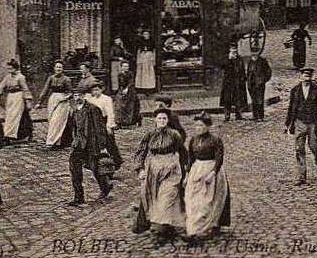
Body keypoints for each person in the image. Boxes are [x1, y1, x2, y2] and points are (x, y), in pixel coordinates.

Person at [133, 108, 186, 241]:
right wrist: (140, 169)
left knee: (167, 195)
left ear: (168, 121)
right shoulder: (149, 135)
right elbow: (141, 152)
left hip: (171, 168)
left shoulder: (174, 134)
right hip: (154, 168)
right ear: (155, 120)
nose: (162, 121)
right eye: (159, 118)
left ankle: (161, 227)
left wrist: (187, 170)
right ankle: (166, 225)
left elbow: (183, 152)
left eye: (164, 118)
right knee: (153, 197)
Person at [185, 113, 230, 240]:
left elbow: (219, 158)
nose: (198, 128)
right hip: (196, 170)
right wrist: (187, 174)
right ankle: (193, 229)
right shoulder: (193, 140)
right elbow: (190, 158)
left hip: (210, 170)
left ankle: (206, 227)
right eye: (196, 125)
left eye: (201, 125)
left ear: (207, 126)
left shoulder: (215, 140)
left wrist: (213, 173)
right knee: (192, 200)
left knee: (208, 200)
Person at [67, 84, 112, 206]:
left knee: (95, 168)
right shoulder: (75, 110)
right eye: (75, 95)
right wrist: (74, 141)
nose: (77, 98)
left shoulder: (93, 109)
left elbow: (100, 128)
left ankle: (105, 187)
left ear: (84, 96)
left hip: (91, 144)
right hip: (78, 144)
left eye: (79, 95)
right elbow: (74, 127)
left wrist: (102, 145)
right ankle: (79, 197)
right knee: (74, 169)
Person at [285, 67, 317, 185]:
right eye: (305, 76)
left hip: (313, 123)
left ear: (311, 77)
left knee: (314, 147)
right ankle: (302, 176)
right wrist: (287, 123)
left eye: (309, 76)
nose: (307, 78)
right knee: (299, 149)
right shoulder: (295, 91)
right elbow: (291, 107)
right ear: (301, 77)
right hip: (300, 122)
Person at [0, 59, 33, 143]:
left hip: (18, 97)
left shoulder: (20, 77)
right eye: (8, 69)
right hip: (10, 97)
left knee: (15, 116)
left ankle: (9, 135)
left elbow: (25, 89)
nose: (9, 71)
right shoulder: (7, 77)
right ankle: (12, 134)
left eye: (11, 69)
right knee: (9, 115)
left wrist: (28, 100)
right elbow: (1, 87)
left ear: (15, 68)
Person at [86, 79, 123, 171]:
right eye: (93, 90)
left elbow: (110, 113)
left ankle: (115, 161)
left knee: (109, 143)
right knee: (94, 144)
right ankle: (94, 163)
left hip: (104, 122)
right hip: (94, 124)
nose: (95, 92)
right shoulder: (90, 99)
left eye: (97, 90)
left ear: (101, 89)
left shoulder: (106, 99)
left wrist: (109, 126)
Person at [38, 60, 73, 147]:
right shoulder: (51, 78)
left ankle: (52, 141)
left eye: (60, 67)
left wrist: (65, 98)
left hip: (62, 101)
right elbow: (45, 90)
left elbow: (70, 92)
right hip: (53, 99)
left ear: (63, 69)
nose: (58, 69)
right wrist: (39, 102)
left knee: (57, 121)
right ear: (54, 68)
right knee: (51, 119)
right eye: (57, 67)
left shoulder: (66, 79)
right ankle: (59, 142)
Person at [220, 45, 248, 121]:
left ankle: (238, 115)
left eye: (235, 51)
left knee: (238, 99)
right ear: (230, 51)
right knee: (227, 99)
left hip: (237, 82)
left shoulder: (239, 59)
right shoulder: (226, 59)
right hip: (228, 82)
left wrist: (243, 78)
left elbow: (242, 70)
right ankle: (227, 115)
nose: (234, 52)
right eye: (233, 51)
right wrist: (229, 59)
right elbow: (222, 66)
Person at [244, 52, 272, 121]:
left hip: (259, 85)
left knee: (260, 100)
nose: (253, 55)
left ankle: (260, 116)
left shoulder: (262, 61)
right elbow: (248, 72)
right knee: (254, 100)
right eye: (252, 54)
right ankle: (255, 116)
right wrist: (248, 79)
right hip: (251, 84)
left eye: (255, 53)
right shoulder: (250, 61)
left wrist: (263, 80)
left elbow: (268, 72)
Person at [114, 60, 141, 128]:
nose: (126, 67)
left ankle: (129, 122)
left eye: (127, 66)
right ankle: (119, 122)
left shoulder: (130, 73)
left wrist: (127, 89)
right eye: (124, 66)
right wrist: (121, 90)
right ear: (121, 67)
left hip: (130, 91)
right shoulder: (120, 74)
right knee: (119, 105)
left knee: (129, 106)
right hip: (122, 90)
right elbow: (120, 83)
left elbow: (131, 82)